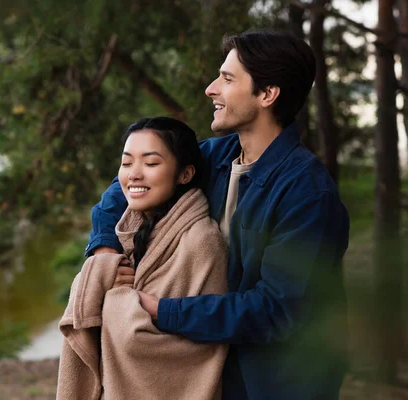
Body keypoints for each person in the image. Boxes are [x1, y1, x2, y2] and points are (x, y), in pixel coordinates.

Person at [86, 30, 350, 400]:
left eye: (227, 79)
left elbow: (275, 310)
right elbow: (125, 186)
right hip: (215, 372)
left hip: (279, 383)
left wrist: (163, 311)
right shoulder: (216, 155)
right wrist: (104, 251)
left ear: (266, 94)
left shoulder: (307, 193)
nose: (211, 89)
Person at [57, 117, 229, 400]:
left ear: (185, 174)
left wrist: (112, 296)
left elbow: (191, 349)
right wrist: (101, 270)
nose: (134, 175)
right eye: (127, 163)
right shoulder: (133, 229)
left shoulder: (201, 241)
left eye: (150, 164)